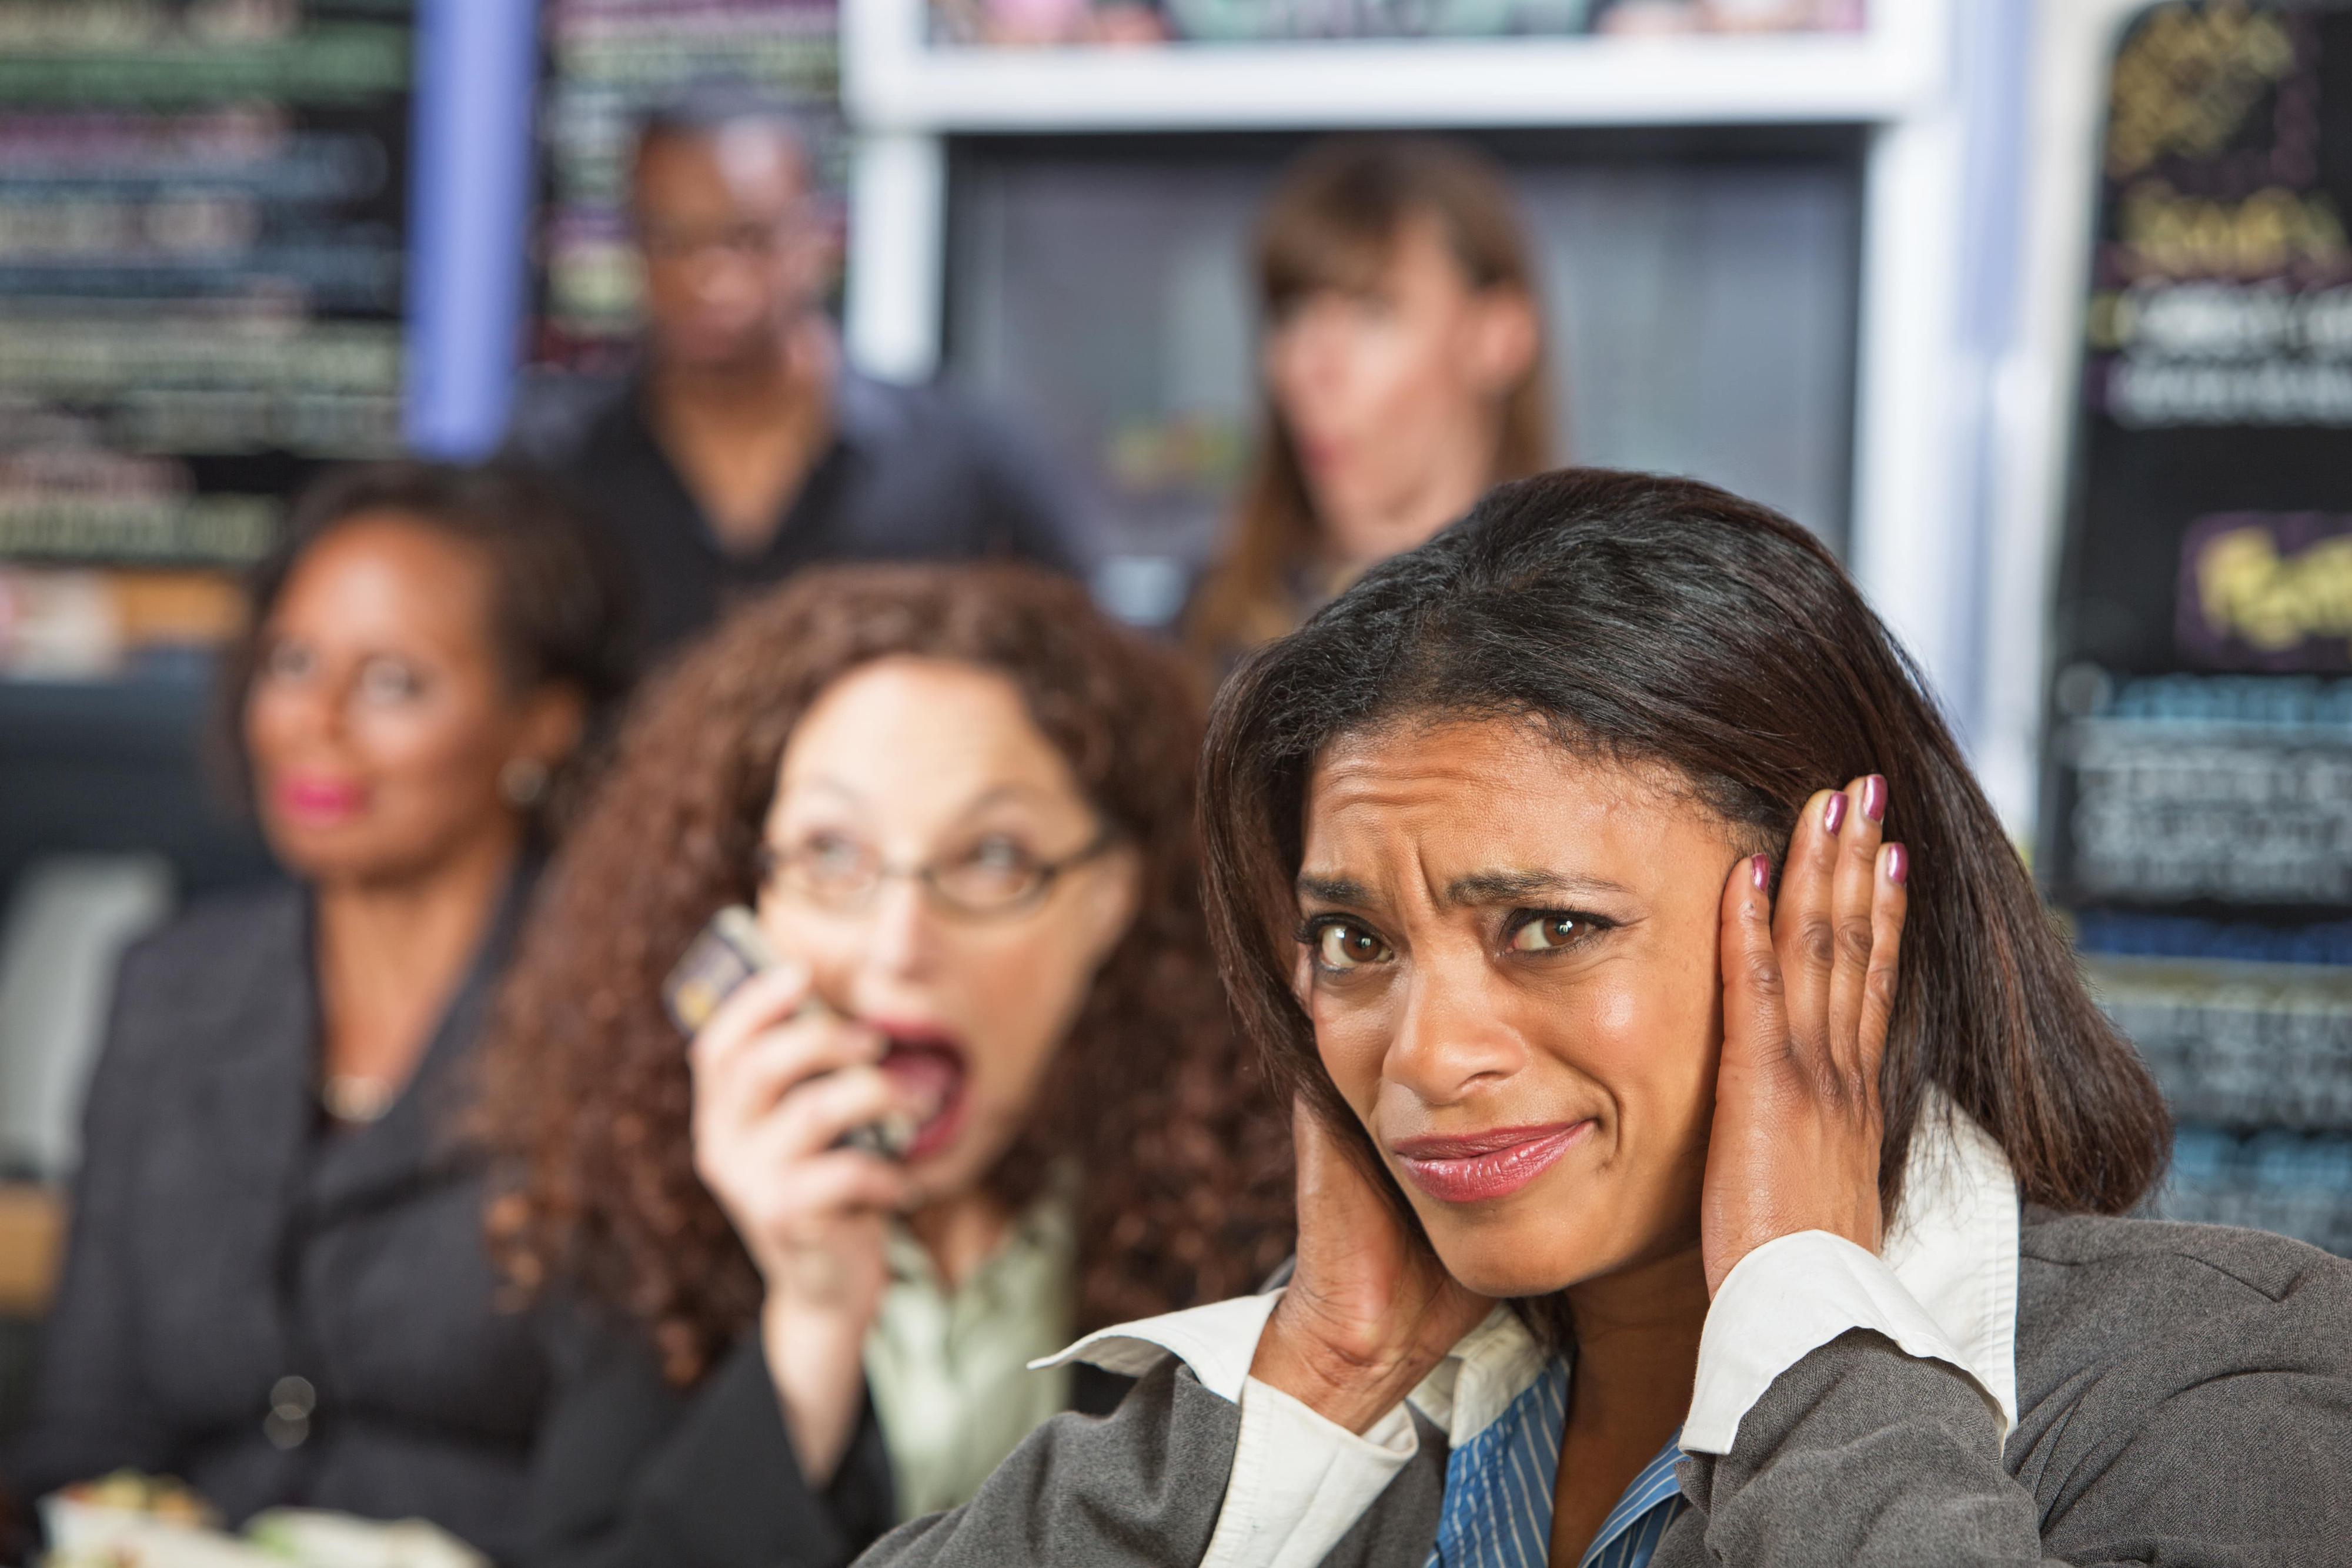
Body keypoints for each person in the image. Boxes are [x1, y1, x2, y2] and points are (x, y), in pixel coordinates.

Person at [856, 468, 2352, 1567]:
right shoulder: (1370, 1417)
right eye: (1355, 941)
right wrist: (1319, 1373)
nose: (1427, 1054)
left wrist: (1810, 1326)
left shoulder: (2218, 1381)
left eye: (1550, 929)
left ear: (1843, 918)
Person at [475, 563, 1292, 1566]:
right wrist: (811, 1322)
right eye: (830, 853)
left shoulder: (1250, 1223)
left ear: (1111, 899)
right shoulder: (647, 1207)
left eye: (993, 858)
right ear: (748, 900)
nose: (900, 941)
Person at [1, 463, 632, 1559]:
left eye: (394, 682)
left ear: (543, 725)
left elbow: (644, 1499)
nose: (317, 722)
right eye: (293, 663)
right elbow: (84, 1429)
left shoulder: (625, 1025)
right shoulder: (170, 986)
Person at [509, 99, 1092, 665]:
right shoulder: (550, 471)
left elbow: (1081, 667)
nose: (708, 275)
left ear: (820, 236)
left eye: (746, 238)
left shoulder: (964, 461)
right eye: (667, 239)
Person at [1185, 135, 1551, 672]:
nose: (1312, 367)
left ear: (1499, 337)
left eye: (1372, 313)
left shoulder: (1582, 642)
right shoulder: (1210, 635)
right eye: (1291, 315)